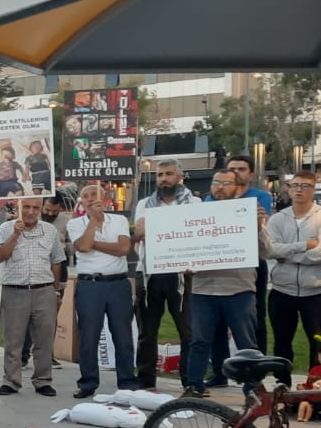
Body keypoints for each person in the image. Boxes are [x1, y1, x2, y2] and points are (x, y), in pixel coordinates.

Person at [182, 168, 272, 398]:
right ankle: (194, 385)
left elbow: (265, 251)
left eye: (226, 183)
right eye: (216, 182)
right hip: (204, 288)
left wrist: (259, 226)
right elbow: (182, 246)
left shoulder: (249, 214)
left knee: (246, 343)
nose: (220, 187)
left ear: (238, 188)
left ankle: (252, 388)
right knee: (200, 341)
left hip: (238, 288)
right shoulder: (196, 215)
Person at [67, 184, 137, 398]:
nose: (90, 199)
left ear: (105, 200)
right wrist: (94, 223)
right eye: (86, 196)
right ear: (81, 201)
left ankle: (126, 382)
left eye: (94, 195)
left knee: (123, 335)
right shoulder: (75, 223)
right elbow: (83, 246)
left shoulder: (120, 220)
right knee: (88, 335)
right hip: (91, 285)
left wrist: (94, 242)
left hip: (118, 284)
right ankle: (88, 382)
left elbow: (124, 249)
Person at [132, 160, 195, 390]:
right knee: (147, 332)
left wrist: (155, 226)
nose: (163, 179)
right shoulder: (144, 203)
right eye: (160, 175)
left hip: (181, 274)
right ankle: (146, 380)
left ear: (180, 177)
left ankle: (190, 382)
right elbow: (138, 231)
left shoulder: (194, 203)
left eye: (169, 174)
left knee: (187, 331)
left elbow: (195, 232)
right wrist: (175, 226)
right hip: (149, 273)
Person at [0, 198, 65, 396]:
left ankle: (43, 380)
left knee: (44, 339)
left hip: (44, 290)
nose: (31, 211)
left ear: (40, 209)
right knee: (13, 340)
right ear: (19, 207)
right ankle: (11, 381)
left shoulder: (49, 231)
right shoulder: (6, 228)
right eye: (26, 207)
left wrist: (56, 290)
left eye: (35, 207)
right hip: (14, 290)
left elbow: (57, 260)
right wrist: (16, 234)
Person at [266, 172, 321, 362]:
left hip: (315, 291)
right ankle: (282, 382)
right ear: (288, 189)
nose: (299, 190)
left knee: (318, 342)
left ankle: (316, 383)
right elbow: (270, 249)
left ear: (313, 190)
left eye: (305, 186)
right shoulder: (278, 219)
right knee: (282, 342)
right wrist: (303, 246)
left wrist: (287, 257)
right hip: (282, 290)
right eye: (295, 185)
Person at [225, 154, 274, 363]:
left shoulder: (260, 196)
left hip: (252, 263)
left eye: (241, 169)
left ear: (251, 174)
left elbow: (260, 227)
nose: (236, 173)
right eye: (232, 169)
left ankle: (258, 363)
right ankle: (220, 368)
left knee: (256, 315)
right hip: (224, 264)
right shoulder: (214, 196)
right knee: (219, 319)